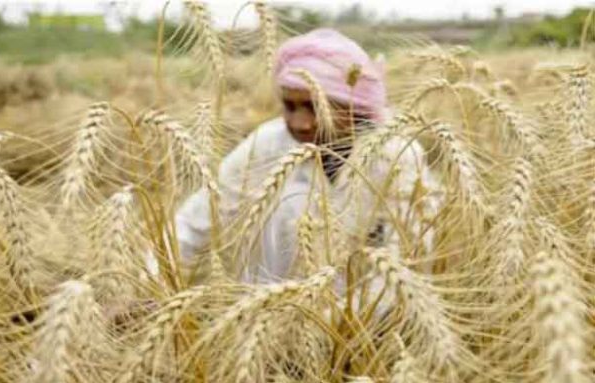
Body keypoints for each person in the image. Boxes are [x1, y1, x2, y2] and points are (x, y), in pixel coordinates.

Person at [174, 28, 441, 288]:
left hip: (365, 321)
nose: (300, 123)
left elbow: (411, 254)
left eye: (315, 107)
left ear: (352, 104)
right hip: (265, 313)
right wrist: (149, 279)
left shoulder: (397, 155)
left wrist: (344, 322)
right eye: (289, 107)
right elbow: (197, 218)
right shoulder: (267, 143)